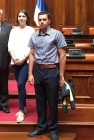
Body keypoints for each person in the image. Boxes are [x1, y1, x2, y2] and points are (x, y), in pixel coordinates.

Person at [27, 11, 67, 140]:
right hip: (38, 71)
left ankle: (53, 129)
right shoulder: (34, 35)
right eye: (40, 20)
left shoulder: (57, 34)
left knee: (52, 101)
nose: (42, 22)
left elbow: (62, 55)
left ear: (49, 21)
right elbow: (32, 54)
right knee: (40, 101)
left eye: (44, 19)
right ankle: (41, 127)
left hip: (51, 71)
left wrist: (61, 75)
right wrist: (30, 74)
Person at [8, 9, 35, 123]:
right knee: (20, 86)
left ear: (27, 18)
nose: (21, 18)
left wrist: (24, 57)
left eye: (23, 16)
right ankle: (23, 106)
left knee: (20, 84)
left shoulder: (31, 30)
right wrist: (14, 57)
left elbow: (32, 47)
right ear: (17, 18)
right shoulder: (13, 30)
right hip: (15, 61)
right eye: (19, 16)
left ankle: (21, 111)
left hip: (26, 61)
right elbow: (10, 45)